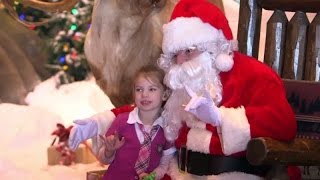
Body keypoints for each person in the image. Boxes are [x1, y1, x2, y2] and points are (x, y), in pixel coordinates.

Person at [69, 0, 297, 179]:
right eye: (175, 55)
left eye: (189, 51)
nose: (182, 61)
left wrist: (221, 118)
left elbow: (284, 123)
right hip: (180, 173)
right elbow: (147, 109)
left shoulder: (253, 75)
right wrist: (98, 123)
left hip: (235, 174)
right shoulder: (181, 86)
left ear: (212, 47)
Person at [97, 64, 174, 179]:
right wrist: (109, 151)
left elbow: (166, 162)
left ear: (164, 94)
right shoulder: (122, 121)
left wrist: (153, 176)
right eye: (139, 89)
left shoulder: (168, 128)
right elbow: (104, 159)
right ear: (133, 94)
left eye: (152, 89)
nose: (144, 94)